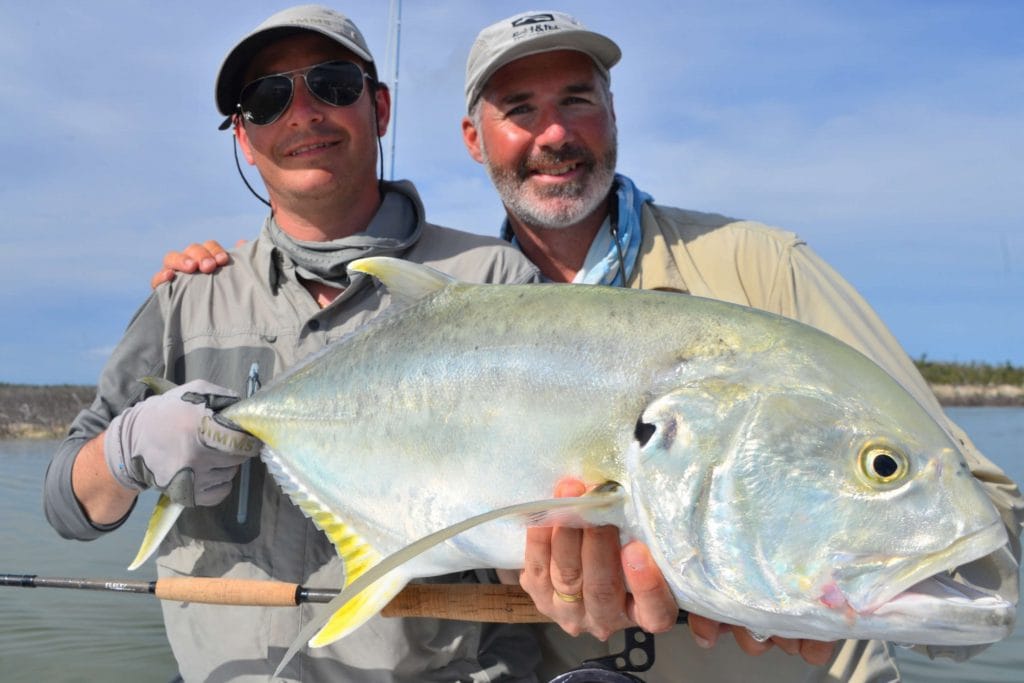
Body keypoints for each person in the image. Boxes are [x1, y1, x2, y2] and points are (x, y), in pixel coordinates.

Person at [153, 9, 1024, 683]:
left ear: (612, 113)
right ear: (474, 139)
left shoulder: (760, 268)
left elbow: (991, 540)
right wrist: (207, 283)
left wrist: (829, 604)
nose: (554, 133)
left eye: (576, 99)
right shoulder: (460, 299)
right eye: (518, 109)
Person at [44, 5, 543, 682]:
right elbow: (68, 506)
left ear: (380, 107)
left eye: (333, 83)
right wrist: (126, 452)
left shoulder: (493, 281)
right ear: (245, 139)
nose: (303, 113)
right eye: (268, 98)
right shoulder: (189, 297)